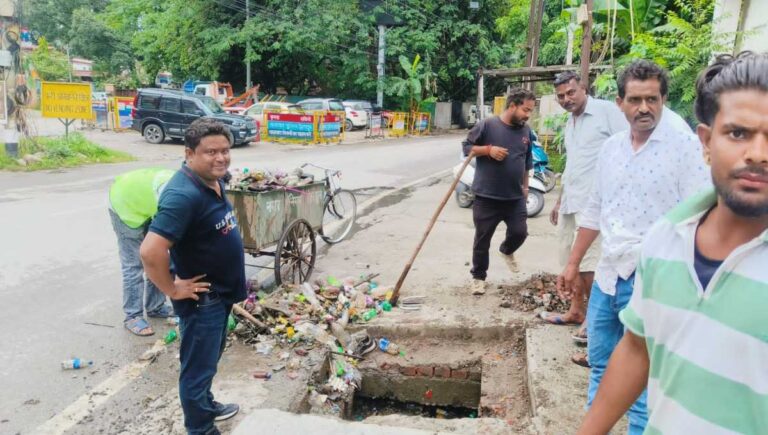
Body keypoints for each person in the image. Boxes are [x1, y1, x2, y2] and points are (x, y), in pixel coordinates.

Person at [577, 51, 768, 435]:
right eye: (738, 133)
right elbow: (637, 350)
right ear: (707, 140)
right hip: (615, 271)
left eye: (652, 99)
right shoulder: (666, 240)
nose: (758, 154)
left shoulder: (678, 149)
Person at [557, 59, 711, 434]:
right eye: (636, 100)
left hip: (651, 280)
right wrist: (573, 263)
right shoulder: (611, 149)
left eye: (653, 100)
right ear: (620, 102)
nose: (644, 108)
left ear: (663, 100)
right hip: (608, 277)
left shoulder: (685, 149)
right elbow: (595, 209)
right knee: (599, 366)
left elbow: (700, 220)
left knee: (642, 390)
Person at [140, 118, 245, 435]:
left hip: (220, 295)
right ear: (189, 154)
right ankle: (200, 428)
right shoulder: (182, 195)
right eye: (211, 152)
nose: (221, 158)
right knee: (196, 370)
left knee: (209, 360)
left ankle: (206, 404)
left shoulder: (214, 180)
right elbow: (150, 251)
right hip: (203, 302)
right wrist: (172, 289)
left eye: (225, 151)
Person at [543, 72, 628, 353]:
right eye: (561, 96)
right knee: (569, 258)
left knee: (591, 263)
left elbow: (626, 149)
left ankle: (596, 320)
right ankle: (576, 310)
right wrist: (559, 200)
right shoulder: (571, 122)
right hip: (572, 198)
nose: (566, 99)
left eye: (571, 93)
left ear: (583, 88)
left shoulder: (606, 112)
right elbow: (573, 164)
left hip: (596, 202)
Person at [462, 88, 536, 295]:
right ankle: (478, 277)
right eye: (525, 110)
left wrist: (526, 186)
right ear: (512, 105)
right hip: (487, 196)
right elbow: (466, 147)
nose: (528, 115)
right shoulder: (487, 125)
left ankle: (507, 250)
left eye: (531, 111)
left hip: (514, 197)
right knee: (482, 240)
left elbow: (526, 160)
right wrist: (488, 150)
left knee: (520, 232)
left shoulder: (525, 130)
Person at [109, 168, 176, 336]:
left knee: (160, 258)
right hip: (125, 203)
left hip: (149, 202)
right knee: (134, 264)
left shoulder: (193, 192)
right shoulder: (176, 200)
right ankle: (132, 316)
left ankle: (155, 307)